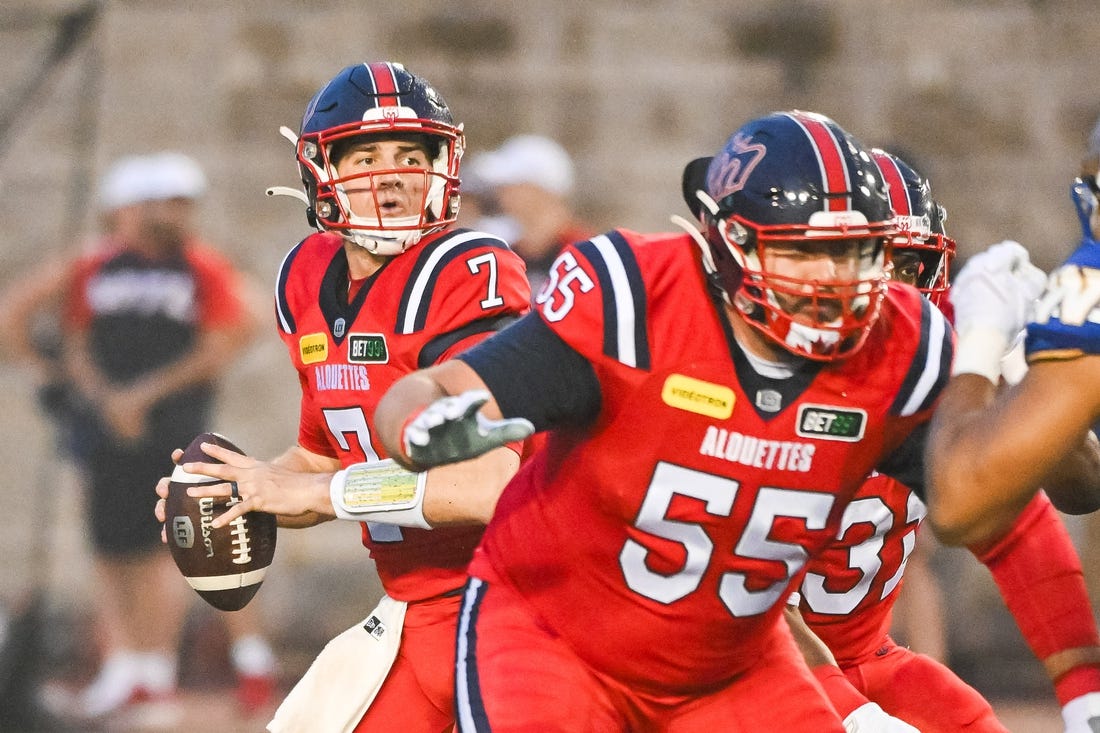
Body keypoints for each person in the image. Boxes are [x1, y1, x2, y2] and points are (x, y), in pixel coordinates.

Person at [372, 110, 954, 731]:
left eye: (854, 254)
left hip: (723, 657)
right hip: (560, 628)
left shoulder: (900, 348)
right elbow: (428, 401)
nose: (831, 285)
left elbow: (1012, 520)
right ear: (733, 245)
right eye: (803, 254)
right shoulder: (636, 304)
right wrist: (409, 431)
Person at [157, 61, 532, 732]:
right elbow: (322, 457)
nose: (390, 175)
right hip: (419, 608)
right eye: (366, 154)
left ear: (441, 166)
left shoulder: (466, 272)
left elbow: (488, 483)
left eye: (409, 154)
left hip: (527, 608)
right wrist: (240, 490)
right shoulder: (306, 278)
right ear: (321, 170)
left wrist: (319, 496)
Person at [789, 149, 1100, 733]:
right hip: (735, 664)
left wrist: (1024, 379)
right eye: (871, 263)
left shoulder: (945, 338)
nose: (893, 294)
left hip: (862, 655)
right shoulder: (757, 368)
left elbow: (1054, 503)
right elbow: (733, 606)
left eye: (908, 268)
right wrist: (856, 718)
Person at [0, 151, 278, 721]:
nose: (165, 217)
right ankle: (127, 667)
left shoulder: (199, 267)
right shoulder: (93, 266)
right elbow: (62, 333)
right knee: (111, 547)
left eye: (178, 205)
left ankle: (162, 671)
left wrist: (143, 395)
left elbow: (234, 332)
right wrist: (81, 387)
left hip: (170, 429)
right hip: (104, 430)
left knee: (170, 547)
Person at [467, 134, 594, 297]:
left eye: (510, 184)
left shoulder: (586, 254)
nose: (500, 192)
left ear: (537, 189)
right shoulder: (506, 255)